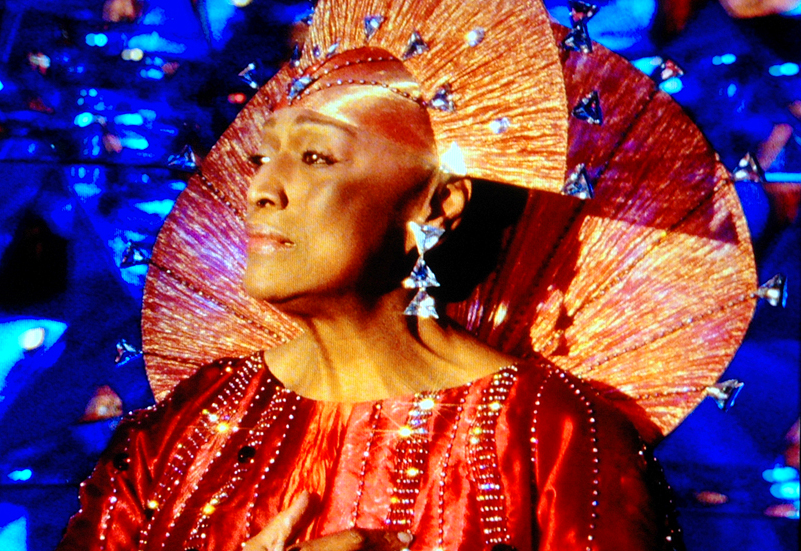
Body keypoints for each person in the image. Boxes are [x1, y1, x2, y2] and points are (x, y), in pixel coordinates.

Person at [56, 0, 758, 549]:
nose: (262, 189)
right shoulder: (185, 426)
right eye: (261, 158)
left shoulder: (551, 438)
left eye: (317, 157)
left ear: (438, 203)